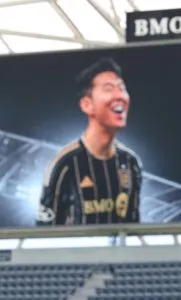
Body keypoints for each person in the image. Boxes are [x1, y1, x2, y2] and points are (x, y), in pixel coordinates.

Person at [37, 56, 143, 227]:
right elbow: (44, 230)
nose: (120, 96)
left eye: (122, 88)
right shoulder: (65, 164)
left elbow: (134, 225)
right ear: (87, 105)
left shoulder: (131, 163)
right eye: (108, 89)